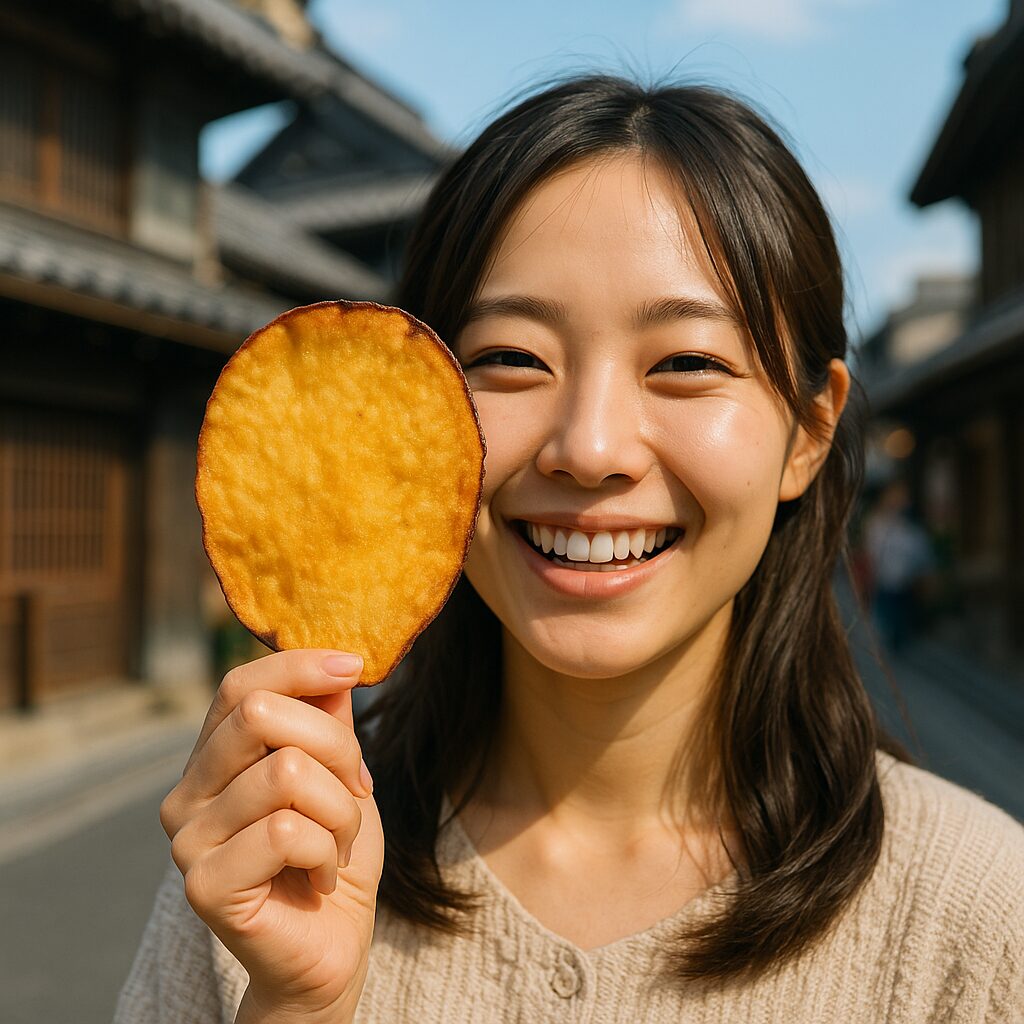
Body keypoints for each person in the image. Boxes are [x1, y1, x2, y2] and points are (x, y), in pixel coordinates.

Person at [114, 75, 1023, 1023]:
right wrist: (295, 1008)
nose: (589, 450)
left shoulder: (976, 915)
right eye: (513, 359)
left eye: (686, 364)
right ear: (413, 409)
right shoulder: (259, 869)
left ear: (808, 430)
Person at [864, 479, 935, 653]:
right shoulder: (878, 523)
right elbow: (872, 550)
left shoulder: (912, 527)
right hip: (885, 580)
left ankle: (897, 645)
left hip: (905, 582)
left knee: (900, 624)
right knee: (886, 621)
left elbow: (921, 553)